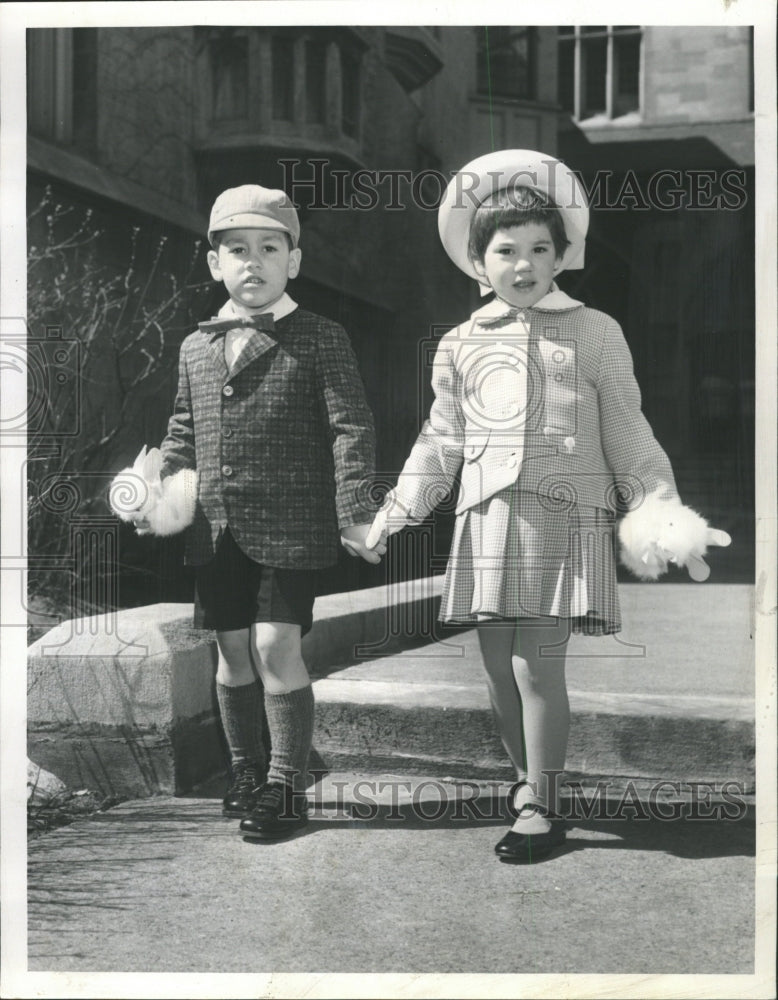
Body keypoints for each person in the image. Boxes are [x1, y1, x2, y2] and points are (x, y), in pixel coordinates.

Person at [367, 150, 730, 863]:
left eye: (540, 248)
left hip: (563, 517)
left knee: (538, 667)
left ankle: (544, 802)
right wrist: (398, 509)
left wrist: (660, 505)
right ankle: (523, 779)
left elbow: (627, 426)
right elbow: (442, 438)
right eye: (506, 250)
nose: (524, 264)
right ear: (479, 260)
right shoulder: (462, 342)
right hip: (487, 518)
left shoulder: (596, 331)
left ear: (564, 254)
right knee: (497, 666)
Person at [111, 184, 383, 839]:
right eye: (237, 249)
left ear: (294, 260)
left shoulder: (320, 337)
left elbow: (353, 427)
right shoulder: (195, 347)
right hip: (214, 528)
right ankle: (245, 772)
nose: (253, 261)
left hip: (293, 527)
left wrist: (354, 509)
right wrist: (156, 490)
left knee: (274, 645)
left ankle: (287, 788)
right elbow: (183, 430)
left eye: (270, 247)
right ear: (215, 264)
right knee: (232, 654)